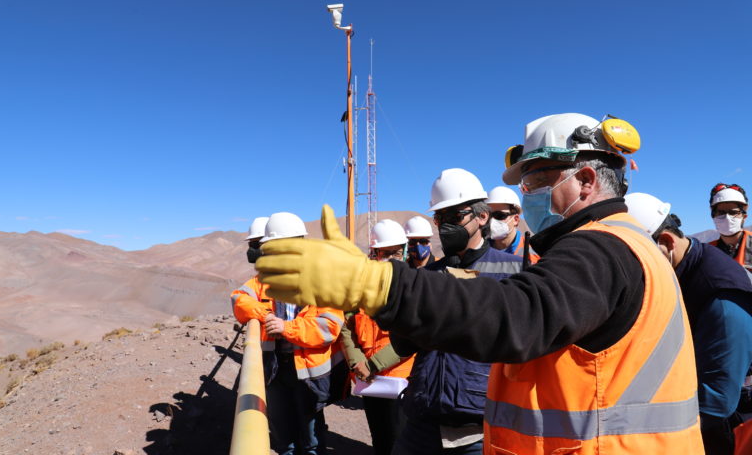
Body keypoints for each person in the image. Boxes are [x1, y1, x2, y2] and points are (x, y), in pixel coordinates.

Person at [256, 113, 705, 454]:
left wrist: (378, 284)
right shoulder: (624, 244)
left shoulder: (601, 249)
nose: (525, 194)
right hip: (436, 414)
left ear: (586, 180)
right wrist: (370, 362)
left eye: (535, 181)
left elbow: (519, 315)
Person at [391, 168, 522, 455]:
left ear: (482, 216)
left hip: (478, 427)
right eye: (440, 218)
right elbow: (404, 344)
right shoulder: (429, 274)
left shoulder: (516, 270)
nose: (445, 226)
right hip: (422, 419)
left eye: (455, 217)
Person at [626, 192, 752, 455]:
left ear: (666, 242)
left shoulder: (720, 296)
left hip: (725, 425)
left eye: (636, 258)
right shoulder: (682, 265)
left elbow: (717, 399)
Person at [230, 212, 347, 455]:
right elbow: (239, 299)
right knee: (282, 431)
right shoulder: (263, 280)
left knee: (311, 435)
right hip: (275, 367)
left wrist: (286, 328)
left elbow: (329, 327)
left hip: (308, 372)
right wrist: (264, 316)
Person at [340, 218, 415, 455]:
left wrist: (371, 365)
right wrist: (357, 362)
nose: (390, 258)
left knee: (401, 440)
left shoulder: (414, 290)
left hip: (402, 383)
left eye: (395, 252)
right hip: (369, 381)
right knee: (380, 438)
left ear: (403, 252)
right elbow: (347, 328)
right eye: (384, 252)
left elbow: (412, 337)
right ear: (374, 252)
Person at [485, 186, 538, 264]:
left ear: (516, 219)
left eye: (499, 215)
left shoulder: (534, 253)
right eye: (489, 216)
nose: (492, 221)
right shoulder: (479, 250)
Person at [708, 184, 752, 270]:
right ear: (713, 216)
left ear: (744, 217)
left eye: (733, 213)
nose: (727, 218)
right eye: (721, 213)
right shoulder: (708, 252)